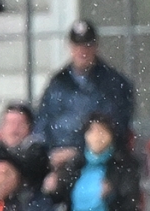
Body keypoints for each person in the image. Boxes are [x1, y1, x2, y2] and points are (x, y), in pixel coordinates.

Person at [34, 21, 135, 167]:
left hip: (99, 161)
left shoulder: (114, 83)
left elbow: (115, 128)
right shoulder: (57, 83)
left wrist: (79, 151)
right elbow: (43, 122)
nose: (82, 51)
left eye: (87, 45)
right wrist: (49, 152)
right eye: (77, 46)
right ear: (70, 47)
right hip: (56, 162)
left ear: (96, 47)